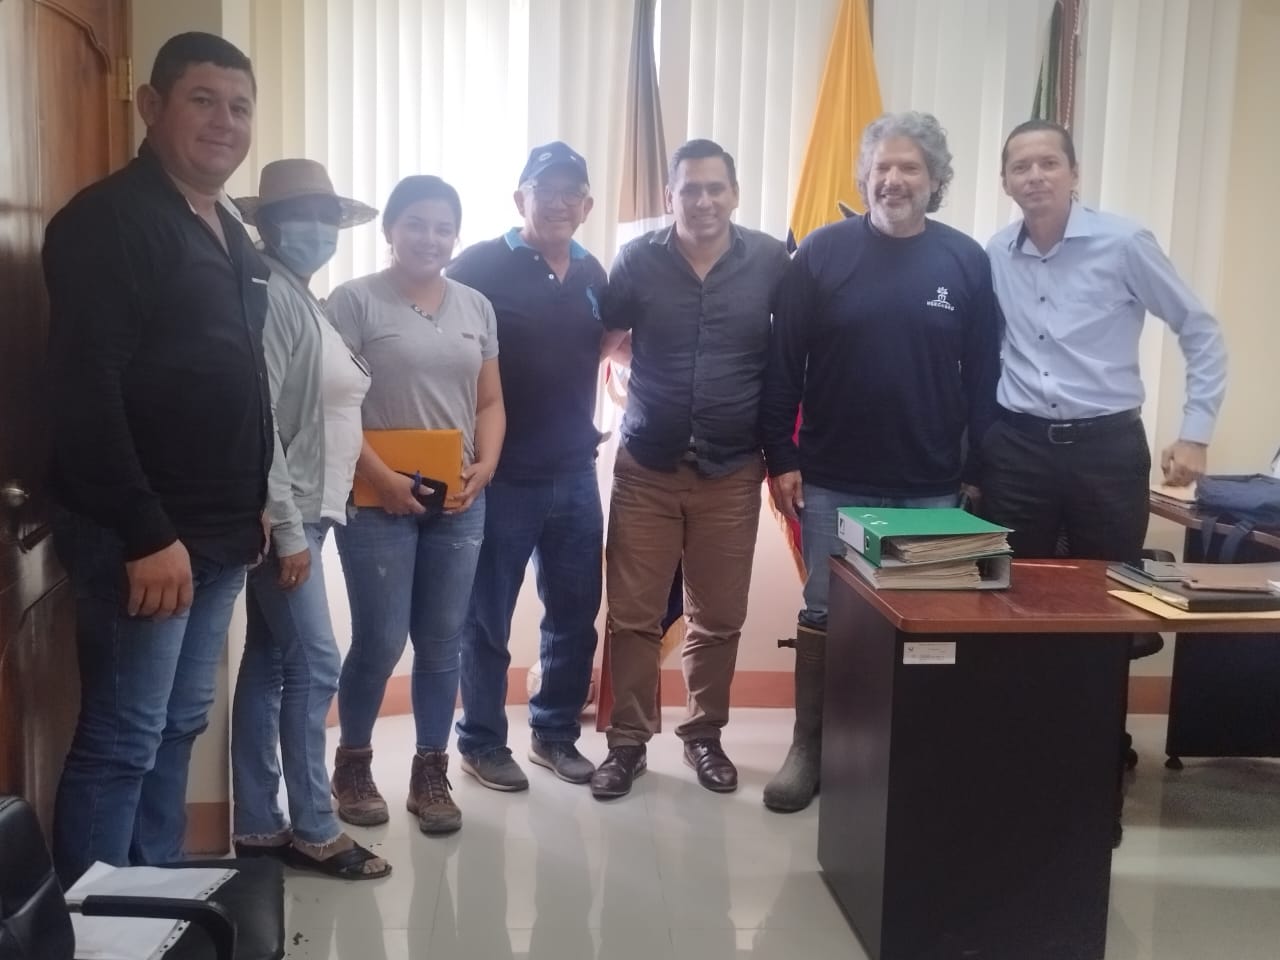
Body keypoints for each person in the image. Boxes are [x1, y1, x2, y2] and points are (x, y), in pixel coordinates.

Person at [42, 32, 269, 882]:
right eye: (202, 100)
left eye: (239, 106)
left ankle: (155, 896)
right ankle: (97, 927)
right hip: (144, 535)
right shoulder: (108, 220)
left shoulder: (227, 227)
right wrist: (145, 531)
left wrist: (258, 499)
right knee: (123, 738)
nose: (224, 121)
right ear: (150, 106)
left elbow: (237, 373)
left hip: (220, 534)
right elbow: (84, 388)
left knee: (177, 725)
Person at [759, 111, 1001, 813]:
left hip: (932, 483)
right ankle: (811, 748)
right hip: (834, 476)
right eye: (882, 167)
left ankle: (912, 755)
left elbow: (984, 375)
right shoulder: (821, 254)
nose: (894, 180)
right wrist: (782, 456)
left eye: (910, 168)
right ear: (865, 177)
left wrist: (978, 469)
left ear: (935, 180)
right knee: (826, 614)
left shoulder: (965, 260)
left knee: (925, 622)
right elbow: (783, 364)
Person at [591, 139, 790, 801]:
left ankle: (704, 735)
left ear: (734, 193)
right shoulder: (637, 261)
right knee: (633, 615)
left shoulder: (770, 261)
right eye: (690, 189)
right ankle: (626, 743)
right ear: (669, 196)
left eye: (715, 188)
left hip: (732, 469)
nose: (703, 201)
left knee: (719, 616)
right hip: (647, 466)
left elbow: (790, 358)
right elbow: (604, 344)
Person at [327, 175, 505, 835]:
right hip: (375, 497)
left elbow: (490, 401)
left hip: (457, 497)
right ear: (390, 230)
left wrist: (487, 465)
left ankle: (431, 769)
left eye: (443, 227)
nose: (430, 238)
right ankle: (352, 764)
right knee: (379, 639)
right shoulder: (353, 302)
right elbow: (334, 406)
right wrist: (381, 478)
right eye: (416, 224)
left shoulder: (476, 307)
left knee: (441, 639)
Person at [227, 159, 389, 879]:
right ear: (266, 223)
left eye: (328, 217)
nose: (317, 229)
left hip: (310, 510)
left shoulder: (302, 296)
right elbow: (258, 419)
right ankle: (316, 830)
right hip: (287, 515)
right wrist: (288, 527)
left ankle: (260, 826)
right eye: (301, 215)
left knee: (270, 664)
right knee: (317, 662)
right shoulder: (270, 294)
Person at [982, 119, 1227, 561]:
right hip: (1018, 452)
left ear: (1074, 173)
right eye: (1021, 167)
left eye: (1049, 163)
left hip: (1107, 452)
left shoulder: (1124, 244)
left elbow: (1199, 329)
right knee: (1009, 585)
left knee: (1108, 587)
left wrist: (1196, 435)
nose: (1035, 176)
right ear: (1005, 182)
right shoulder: (997, 253)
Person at [448, 142, 606, 790]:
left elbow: (609, 346)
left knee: (574, 614)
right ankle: (482, 742)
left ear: (587, 205)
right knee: (485, 619)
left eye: (572, 192)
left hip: (576, 473)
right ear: (521, 199)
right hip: (502, 476)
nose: (559, 202)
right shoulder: (479, 265)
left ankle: (555, 733)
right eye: (546, 190)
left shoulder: (594, 272)